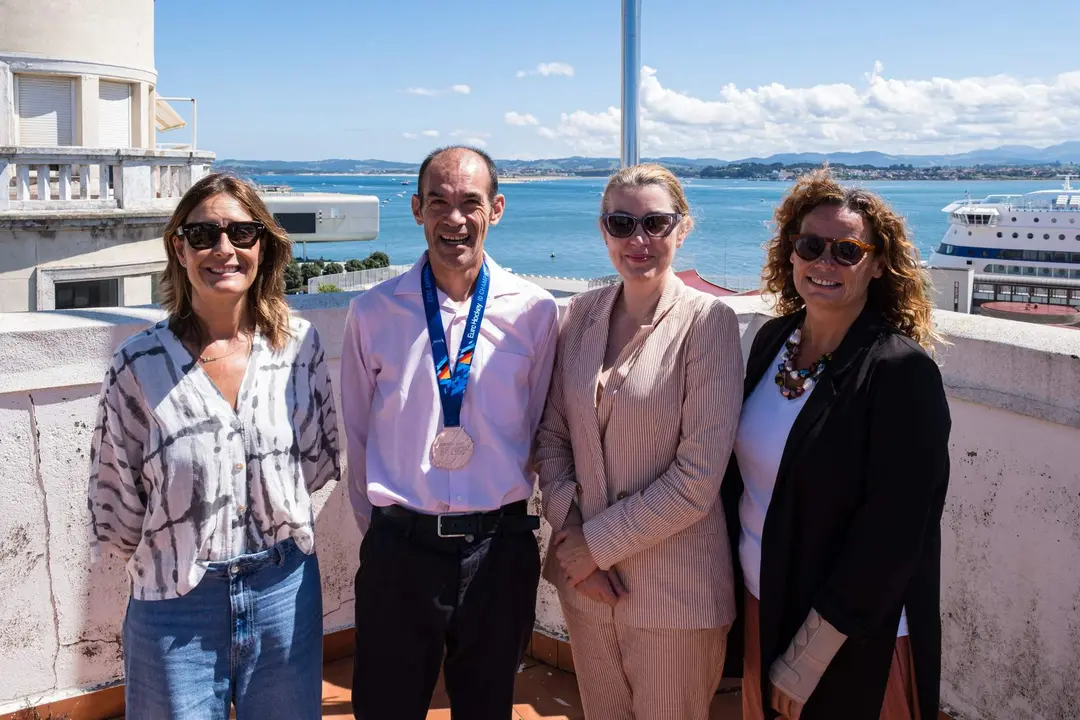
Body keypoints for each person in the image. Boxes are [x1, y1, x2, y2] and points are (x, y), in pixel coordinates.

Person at [87, 173, 341, 719]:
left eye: (242, 233)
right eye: (203, 234)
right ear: (179, 248)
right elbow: (116, 509)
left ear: (263, 247)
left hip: (283, 594)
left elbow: (316, 463)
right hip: (176, 604)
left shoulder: (300, 347)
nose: (223, 249)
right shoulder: (138, 366)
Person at [722, 168, 952, 720]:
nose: (825, 263)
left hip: (845, 636)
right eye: (810, 245)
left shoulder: (899, 371)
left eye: (847, 251)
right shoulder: (773, 340)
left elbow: (894, 538)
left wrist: (809, 658)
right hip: (765, 603)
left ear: (876, 264)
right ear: (790, 254)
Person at [340, 145, 560, 720]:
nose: (454, 218)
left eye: (470, 202)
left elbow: (537, 425)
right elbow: (358, 436)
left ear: (497, 208)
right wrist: (389, 533)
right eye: (438, 201)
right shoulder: (372, 312)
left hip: (499, 552)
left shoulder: (535, 312)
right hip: (400, 553)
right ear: (416, 209)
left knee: (487, 708)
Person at [534, 163, 744, 720]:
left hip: (676, 595)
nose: (639, 240)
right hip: (587, 589)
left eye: (655, 222)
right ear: (603, 230)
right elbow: (553, 439)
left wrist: (593, 547)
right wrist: (577, 546)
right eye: (622, 223)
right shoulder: (579, 316)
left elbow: (697, 480)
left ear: (683, 228)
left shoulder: (709, 324)